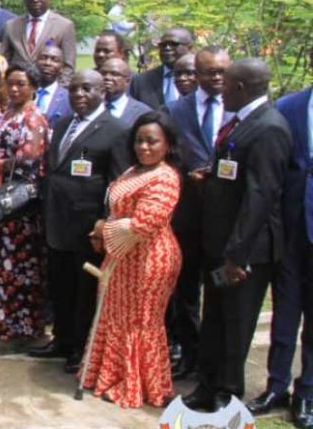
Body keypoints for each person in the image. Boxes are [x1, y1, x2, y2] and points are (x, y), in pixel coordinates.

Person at [185, 59, 291, 412]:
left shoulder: (269, 128)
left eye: (226, 84)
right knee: (214, 317)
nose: (218, 89)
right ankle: (206, 383)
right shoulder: (239, 124)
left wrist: (237, 255)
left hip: (246, 251)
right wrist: (211, 177)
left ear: (242, 88)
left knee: (236, 323)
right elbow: (236, 176)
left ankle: (226, 393)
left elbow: (261, 196)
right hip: (221, 241)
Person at [30, 70, 131, 374]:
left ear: (103, 91)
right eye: (74, 89)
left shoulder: (115, 130)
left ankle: (80, 348)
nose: (79, 95)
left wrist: (104, 222)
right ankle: (61, 339)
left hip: (88, 227)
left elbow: (117, 183)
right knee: (60, 285)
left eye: (87, 89)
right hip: (57, 221)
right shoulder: (62, 125)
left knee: (83, 290)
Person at [80, 112, 183, 408]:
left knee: (140, 321)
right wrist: (103, 231)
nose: (144, 147)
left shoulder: (165, 177)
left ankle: (138, 383)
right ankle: (108, 375)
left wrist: (103, 228)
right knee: (115, 316)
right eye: (139, 140)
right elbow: (117, 211)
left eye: (152, 141)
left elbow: (144, 224)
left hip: (150, 260)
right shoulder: (133, 171)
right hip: (121, 256)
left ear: (167, 145)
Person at [165, 46, 229, 381]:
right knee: (185, 292)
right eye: (209, 72)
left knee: (219, 293)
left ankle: (214, 362)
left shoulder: (239, 110)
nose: (216, 78)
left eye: (221, 72)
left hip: (224, 221)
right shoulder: (175, 110)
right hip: (186, 216)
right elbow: (166, 159)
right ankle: (189, 355)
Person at [253, 84, 313, 427]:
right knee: (285, 310)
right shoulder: (290, 106)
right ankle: (277, 386)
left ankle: (307, 392)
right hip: (289, 227)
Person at [0, 63, 49, 340]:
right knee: (1, 260)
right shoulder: (7, 113)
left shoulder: (34, 119)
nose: (14, 88)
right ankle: (2, 320)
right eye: (10, 83)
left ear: (33, 87)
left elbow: (29, 159)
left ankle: (21, 324)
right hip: (1, 196)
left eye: (21, 83)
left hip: (19, 202)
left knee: (19, 264)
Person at [2, 0, 77, 71]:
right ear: (25, 0)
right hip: (18, 82)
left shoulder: (65, 26)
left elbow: (68, 65)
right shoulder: (11, 25)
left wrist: (60, 85)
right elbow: (3, 59)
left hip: (47, 82)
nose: (35, 0)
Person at [130, 27, 193, 108]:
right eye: (163, 45)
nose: (167, 48)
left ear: (190, 48)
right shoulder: (141, 81)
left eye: (173, 44)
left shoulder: (200, 78)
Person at [99, 58, 153, 127]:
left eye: (114, 74)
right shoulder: (89, 108)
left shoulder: (142, 113)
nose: (107, 77)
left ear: (127, 81)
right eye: (103, 73)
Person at [35, 44, 72, 125]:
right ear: (35, 62)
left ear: (62, 67)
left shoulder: (68, 98)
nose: (48, 63)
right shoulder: (24, 92)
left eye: (54, 60)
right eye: (43, 58)